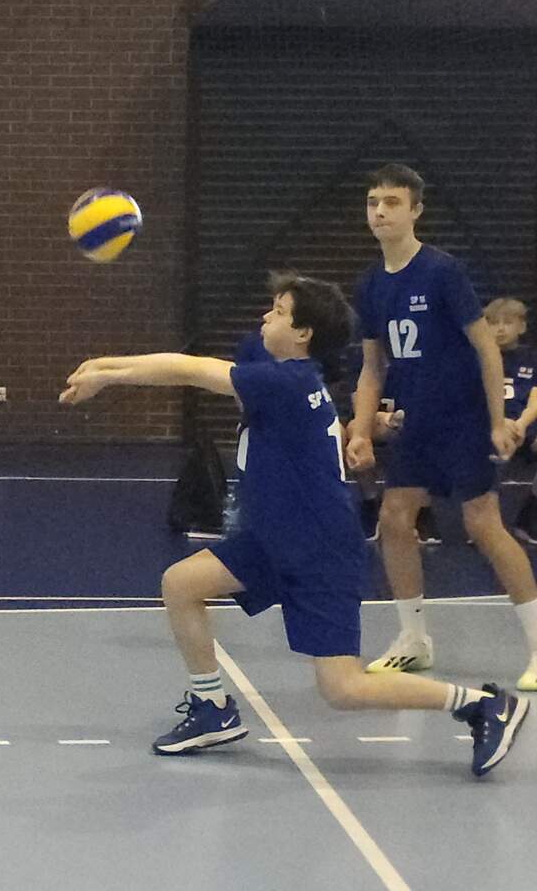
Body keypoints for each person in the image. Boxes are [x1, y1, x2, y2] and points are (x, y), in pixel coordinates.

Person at [60, 273, 528, 776]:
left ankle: (482, 705)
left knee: (343, 688)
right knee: (182, 583)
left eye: (280, 312)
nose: (267, 316)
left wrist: (107, 372)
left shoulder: (289, 383)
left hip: (319, 551)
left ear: (304, 334)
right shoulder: (283, 374)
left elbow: (189, 368)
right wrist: (106, 366)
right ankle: (213, 708)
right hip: (272, 538)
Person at [345, 165, 537, 689]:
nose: (379, 211)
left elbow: (486, 348)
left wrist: (497, 421)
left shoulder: (442, 271)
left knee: (482, 523)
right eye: (372, 202)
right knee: (394, 518)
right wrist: (360, 431)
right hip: (417, 421)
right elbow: (372, 367)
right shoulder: (370, 284)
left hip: (464, 418)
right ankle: (413, 640)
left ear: (415, 211)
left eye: (391, 202)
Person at [484, 297, 537, 544]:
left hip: (523, 426)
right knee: (495, 447)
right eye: (494, 323)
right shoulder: (477, 357)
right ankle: (485, 521)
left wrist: (522, 424)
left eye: (507, 322)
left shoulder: (530, 358)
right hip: (489, 425)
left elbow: (535, 398)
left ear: (522, 326)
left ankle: (529, 515)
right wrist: (498, 423)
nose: (501, 329)